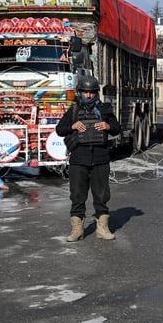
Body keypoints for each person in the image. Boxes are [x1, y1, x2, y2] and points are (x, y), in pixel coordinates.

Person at [55, 75, 121, 242]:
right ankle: (77, 229)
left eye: (92, 92)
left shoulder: (105, 109)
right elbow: (59, 129)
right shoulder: (74, 110)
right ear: (80, 92)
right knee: (77, 195)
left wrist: (107, 126)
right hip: (78, 159)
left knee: (102, 195)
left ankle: (102, 228)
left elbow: (117, 129)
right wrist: (72, 126)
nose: (89, 95)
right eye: (85, 92)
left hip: (100, 158)